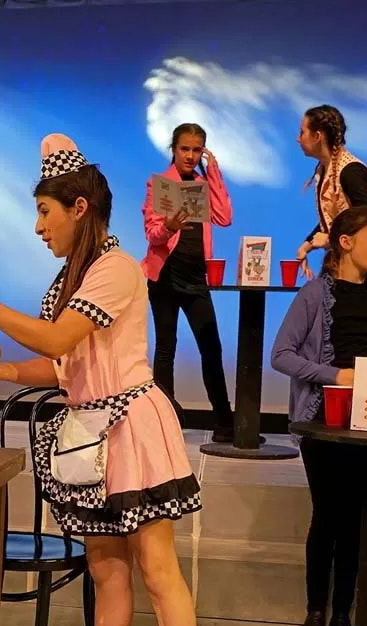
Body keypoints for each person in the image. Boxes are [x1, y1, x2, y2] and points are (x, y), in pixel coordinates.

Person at [0, 134, 209, 626]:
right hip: (89, 430)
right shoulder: (71, 279)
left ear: (79, 208)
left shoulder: (115, 269)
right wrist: (6, 371)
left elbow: (59, 337)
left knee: (156, 567)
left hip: (132, 428)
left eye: (45, 212)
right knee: (106, 568)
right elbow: (65, 365)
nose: (39, 227)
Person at [269, 207, 367, 626]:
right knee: (329, 514)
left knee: (354, 520)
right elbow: (282, 355)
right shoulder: (314, 295)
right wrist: (337, 376)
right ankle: (315, 610)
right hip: (322, 421)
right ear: (346, 242)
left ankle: (342, 615)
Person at [141, 122, 236, 440]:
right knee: (165, 348)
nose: (190, 156)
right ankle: (163, 421)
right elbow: (152, 235)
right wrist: (168, 225)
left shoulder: (203, 183)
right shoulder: (159, 184)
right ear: (174, 149)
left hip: (196, 277)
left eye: (197, 150)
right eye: (185, 149)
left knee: (211, 349)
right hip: (166, 276)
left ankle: (224, 423)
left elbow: (224, 217)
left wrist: (214, 171)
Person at [295, 105, 367, 287]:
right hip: (344, 265)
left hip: (365, 272)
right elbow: (335, 218)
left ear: (317, 136)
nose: (298, 138)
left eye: (302, 132)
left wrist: (329, 240)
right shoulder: (325, 169)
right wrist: (306, 246)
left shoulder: (350, 171)